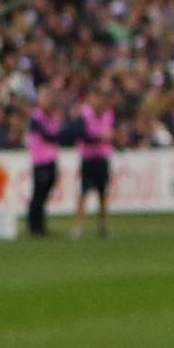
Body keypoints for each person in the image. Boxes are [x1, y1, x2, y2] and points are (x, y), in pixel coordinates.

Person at [72, 86, 115, 241]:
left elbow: (110, 134)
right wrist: (101, 138)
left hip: (102, 157)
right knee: (84, 193)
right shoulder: (85, 114)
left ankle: (103, 225)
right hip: (88, 158)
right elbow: (83, 135)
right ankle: (79, 225)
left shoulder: (109, 114)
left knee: (103, 193)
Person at [23, 88, 63, 238]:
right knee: (38, 194)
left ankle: (39, 225)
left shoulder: (52, 116)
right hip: (40, 161)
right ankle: (34, 226)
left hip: (51, 159)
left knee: (43, 194)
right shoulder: (36, 117)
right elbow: (49, 135)